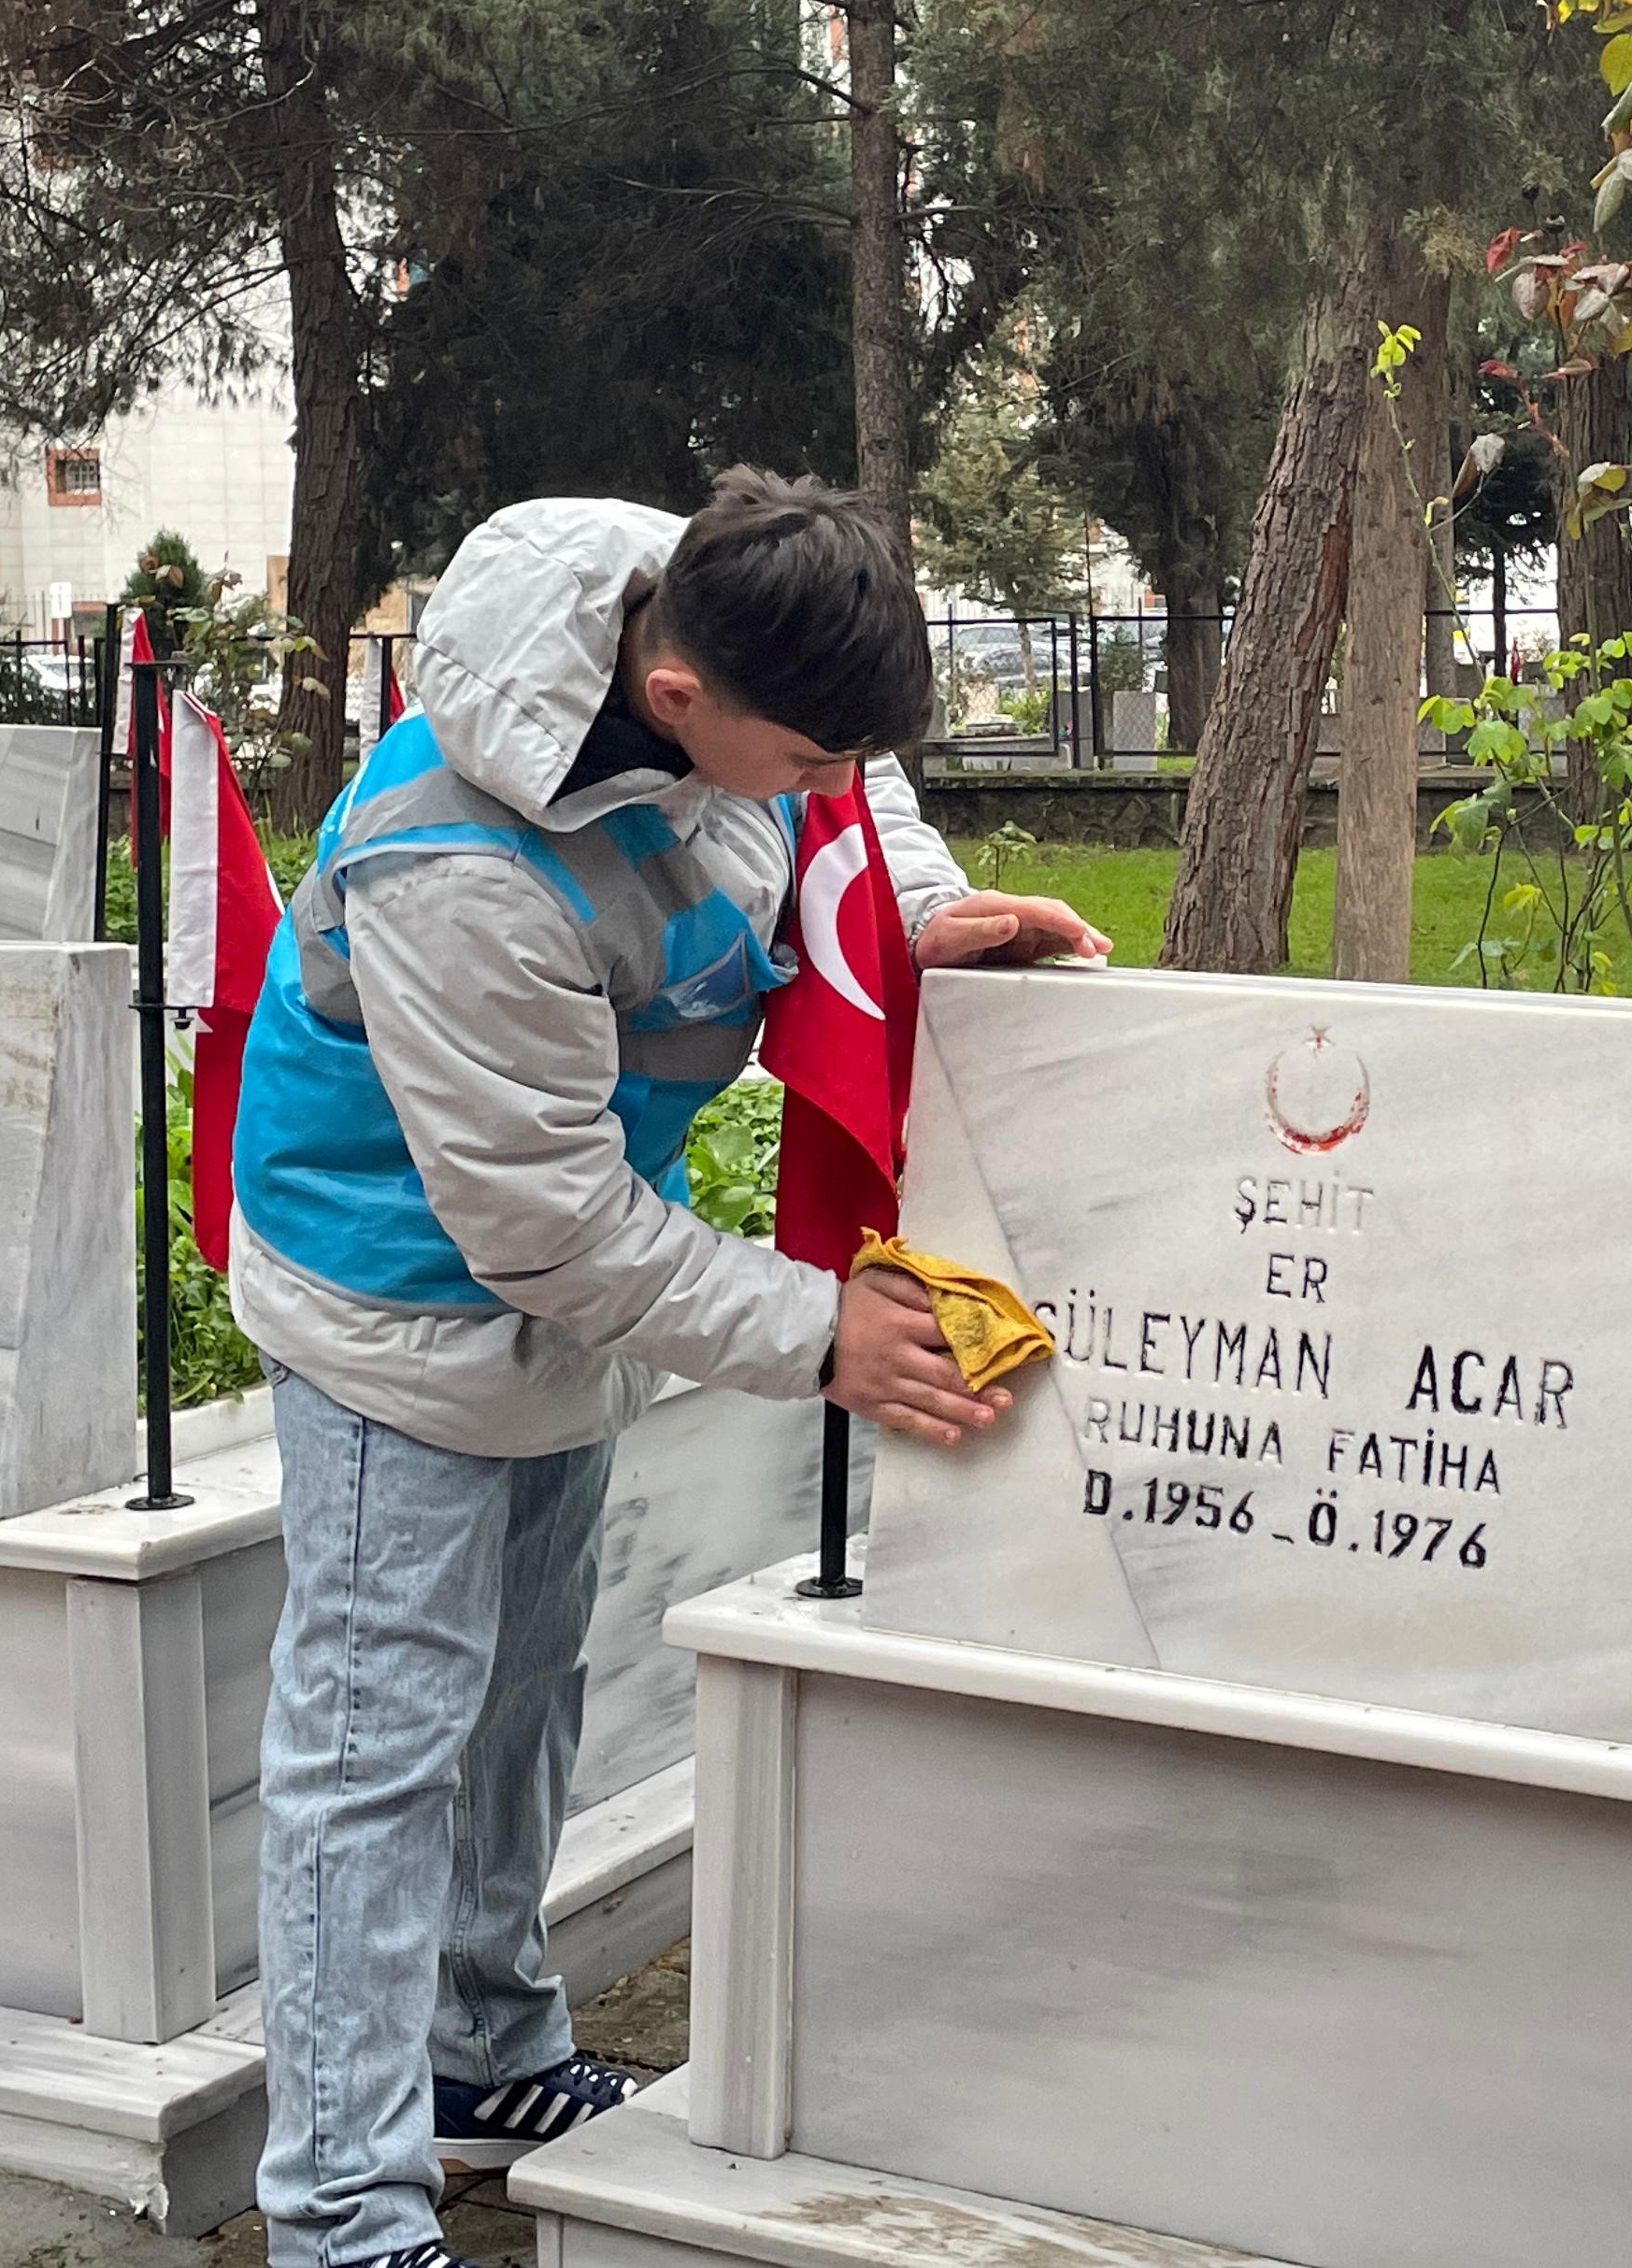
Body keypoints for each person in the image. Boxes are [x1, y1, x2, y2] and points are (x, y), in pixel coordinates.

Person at [227, 473, 1109, 2268]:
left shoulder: (724, 607)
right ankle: (338, 2208)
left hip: (559, 1288)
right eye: (802, 759)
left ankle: (479, 2056)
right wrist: (818, 1332)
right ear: (681, 699)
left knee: (519, 1695)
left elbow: (852, 796)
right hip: (402, 1307)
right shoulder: (454, 866)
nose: (825, 783)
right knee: (376, 1747)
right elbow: (542, 1223)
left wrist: (912, 911)